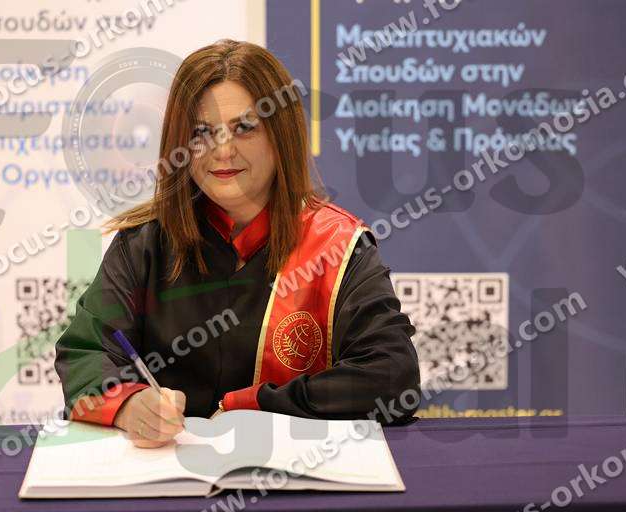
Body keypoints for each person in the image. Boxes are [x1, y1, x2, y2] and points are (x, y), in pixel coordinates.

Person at [54, 39, 420, 448]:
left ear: (281, 137)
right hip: (168, 472)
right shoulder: (143, 243)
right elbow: (84, 352)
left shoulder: (338, 245)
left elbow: (392, 375)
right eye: (201, 132)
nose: (222, 150)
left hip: (295, 473)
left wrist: (253, 405)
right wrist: (128, 405)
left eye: (244, 128)